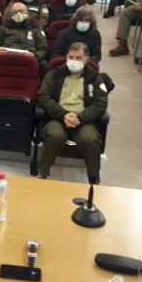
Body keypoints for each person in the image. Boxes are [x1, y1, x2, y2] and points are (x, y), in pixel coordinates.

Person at [37, 42, 108, 182]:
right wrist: (63, 114)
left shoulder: (96, 79)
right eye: (71, 57)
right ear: (66, 57)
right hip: (58, 117)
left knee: (91, 139)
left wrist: (79, 118)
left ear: (86, 60)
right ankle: (43, 175)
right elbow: (43, 97)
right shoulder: (53, 75)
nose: (74, 61)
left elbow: (100, 104)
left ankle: (94, 179)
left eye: (78, 58)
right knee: (54, 136)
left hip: (83, 120)